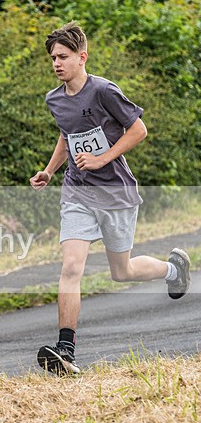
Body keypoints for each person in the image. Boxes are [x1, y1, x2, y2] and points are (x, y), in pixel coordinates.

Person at [30, 22, 191, 375]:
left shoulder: (104, 91)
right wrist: (50, 170)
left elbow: (138, 130)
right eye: (53, 58)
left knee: (122, 271)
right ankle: (66, 349)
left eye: (63, 56)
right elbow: (66, 134)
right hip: (77, 191)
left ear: (81, 57)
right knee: (71, 268)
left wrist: (102, 158)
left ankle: (172, 268)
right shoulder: (54, 99)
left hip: (116, 192)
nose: (56, 63)